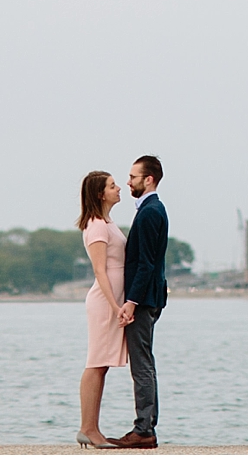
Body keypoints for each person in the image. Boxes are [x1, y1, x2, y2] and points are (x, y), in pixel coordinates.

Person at [112, 155, 169, 448]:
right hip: (151, 297)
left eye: (133, 176)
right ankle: (146, 426)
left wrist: (131, 302)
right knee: (145, 362)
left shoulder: (149, 212)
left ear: (148, 179)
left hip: (144, 299)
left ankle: (144, 429)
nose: (128, 181)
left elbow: (146, 264)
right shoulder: (152, 209)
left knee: (142, 364)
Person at [75, 170, 129, 452]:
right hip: (105, 301)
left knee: (102, 364)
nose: (119, 188)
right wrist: (115, 306)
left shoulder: (108, 222)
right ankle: (87, 428)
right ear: (100, 194)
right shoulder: (96, 225)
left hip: (113, 300)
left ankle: (92, 427)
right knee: (96, 362)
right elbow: (100, 270)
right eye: (112, 185)